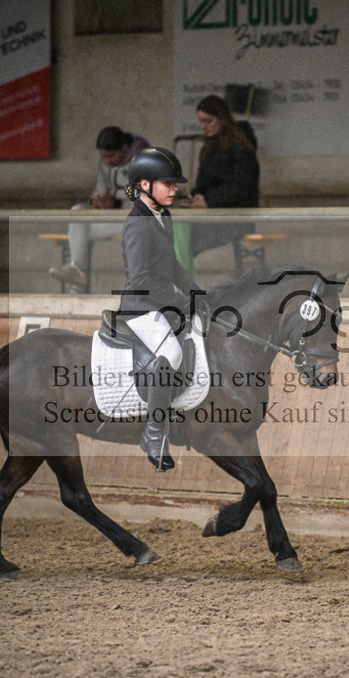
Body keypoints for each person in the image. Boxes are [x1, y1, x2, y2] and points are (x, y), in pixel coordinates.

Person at [118, 147, 201, 471]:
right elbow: (142, 279)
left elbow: (173, 266)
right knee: (171, 354)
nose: (174, 188)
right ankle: (153, 434)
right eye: (167, 183)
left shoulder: (162, 215)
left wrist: (197, 293)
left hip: (160, 302)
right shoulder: (138, 223)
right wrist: (179, 301)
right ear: (144, 185)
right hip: (141, 307)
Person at [50, 126, 149, 291]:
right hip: (112, 218)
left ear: (124, 148)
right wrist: (97, 201)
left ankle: (77, 287)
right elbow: (100, 190)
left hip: (138, 219)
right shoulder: (104, 164)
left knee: (79, 233)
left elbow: (147, 199)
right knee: (77, 212)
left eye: (111, 156)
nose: (107, 161)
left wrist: (116, 203)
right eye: (103, 157)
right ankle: (77, 271)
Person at [180, 94, 260, 260]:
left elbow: (244, 185)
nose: (204, 126)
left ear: (222, 119)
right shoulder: (208, 147)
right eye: (201, 121)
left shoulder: (240, 143)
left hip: (235, 217)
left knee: (183, 239)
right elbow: (202, 181)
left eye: (209, 121)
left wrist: (209, 201)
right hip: (212, 213)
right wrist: (195, 197)